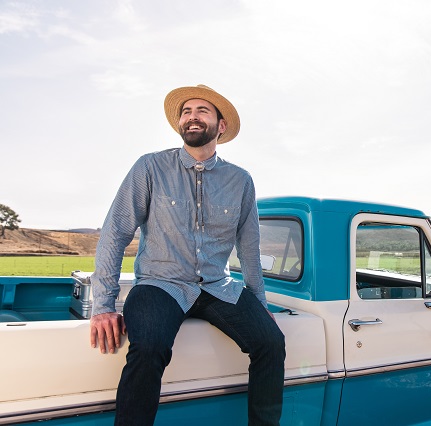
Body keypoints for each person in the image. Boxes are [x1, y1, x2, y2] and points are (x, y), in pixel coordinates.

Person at [89, 84, 286, 426]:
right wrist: (103, 306)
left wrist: (260, 303)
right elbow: (116, 231)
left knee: (272, 343)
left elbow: (249, 248)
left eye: (202, 111)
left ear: (220, 126)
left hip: (216, 287)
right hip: (160, 284)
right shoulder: (150, 167)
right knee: (148, 348)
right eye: (186, 112)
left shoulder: (240, 180)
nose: (192, 117)